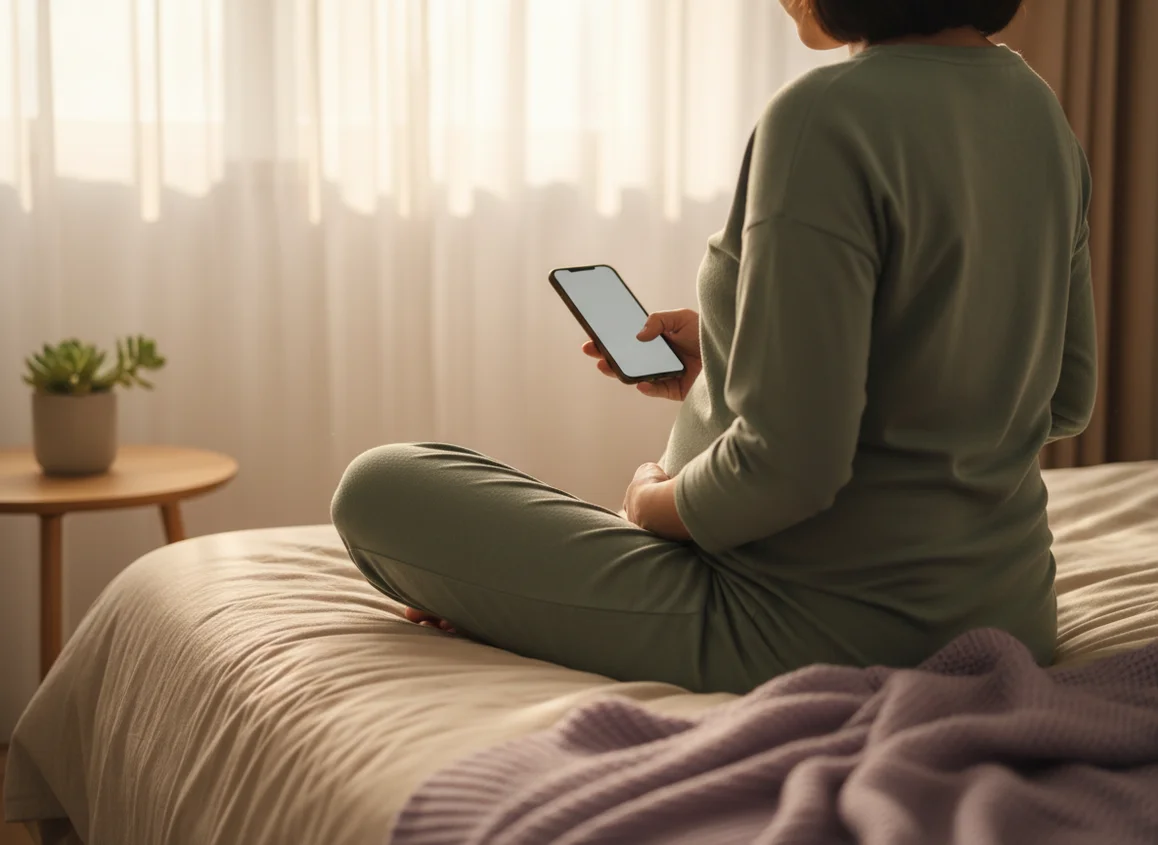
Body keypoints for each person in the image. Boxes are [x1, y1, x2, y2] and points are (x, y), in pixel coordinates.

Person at [330, 0, 1096, 695]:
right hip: (1011, 609)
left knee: (380, 487)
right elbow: (1061, 396)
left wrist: (652, 500)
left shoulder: (825, 115)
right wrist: (736, 351)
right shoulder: (1036, 109)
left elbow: (792, 468)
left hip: (816, 622)